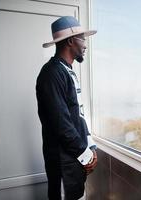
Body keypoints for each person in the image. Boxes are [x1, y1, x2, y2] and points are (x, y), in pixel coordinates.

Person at [36, 16, 97, 200]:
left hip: (74, 160)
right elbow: (61, 124)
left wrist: (91, 145)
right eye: (82, 39)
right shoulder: (51, 74)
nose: (85, 45)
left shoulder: (67, 71)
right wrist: (85, 155)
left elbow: (78, 115)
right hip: (64, 162)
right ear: (71, 41)